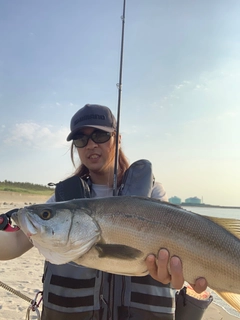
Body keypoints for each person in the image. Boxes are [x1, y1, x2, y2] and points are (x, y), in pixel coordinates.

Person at [0, 104, 211, 319]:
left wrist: (172, 272)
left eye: (100, 135)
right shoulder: (62, 201)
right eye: (81, 139)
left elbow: (179, 243)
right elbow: (16, 243)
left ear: (118, 139)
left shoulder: (153, 193)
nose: (90, 144)